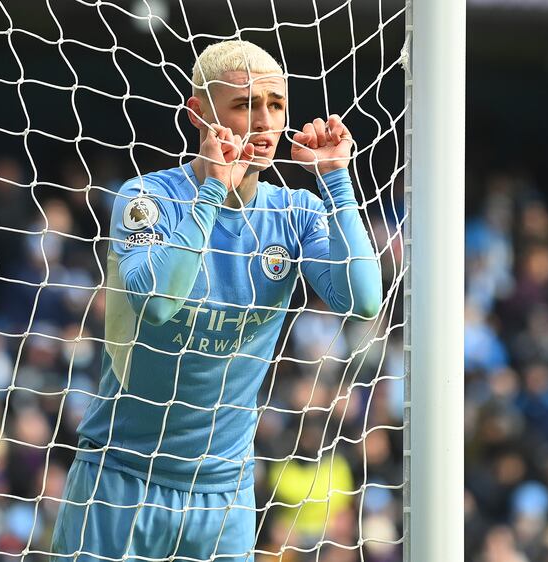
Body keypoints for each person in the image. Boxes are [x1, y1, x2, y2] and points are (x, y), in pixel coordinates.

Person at [50, 40, 382, 561]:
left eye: (275, 105)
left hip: (224, 494)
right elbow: (159, 305)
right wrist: (210, 196)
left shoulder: (294, 213)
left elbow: (363, 300)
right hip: (121, 477)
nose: (263, 120)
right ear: (199, 113)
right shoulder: (147, 198)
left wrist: (336, 181)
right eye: (244, 104)